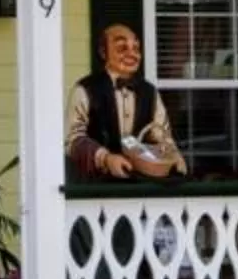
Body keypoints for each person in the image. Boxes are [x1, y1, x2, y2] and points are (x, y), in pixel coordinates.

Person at [67, 21, 186, 181]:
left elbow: (161, 134)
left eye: (136, 48)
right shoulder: (84, 89)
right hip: (96, 184)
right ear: (103, 52)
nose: (132, 54)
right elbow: (73, 139)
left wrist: (173, 155)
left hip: (141, 181)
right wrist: (106, 158)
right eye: (122, 48)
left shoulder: (149, 91)